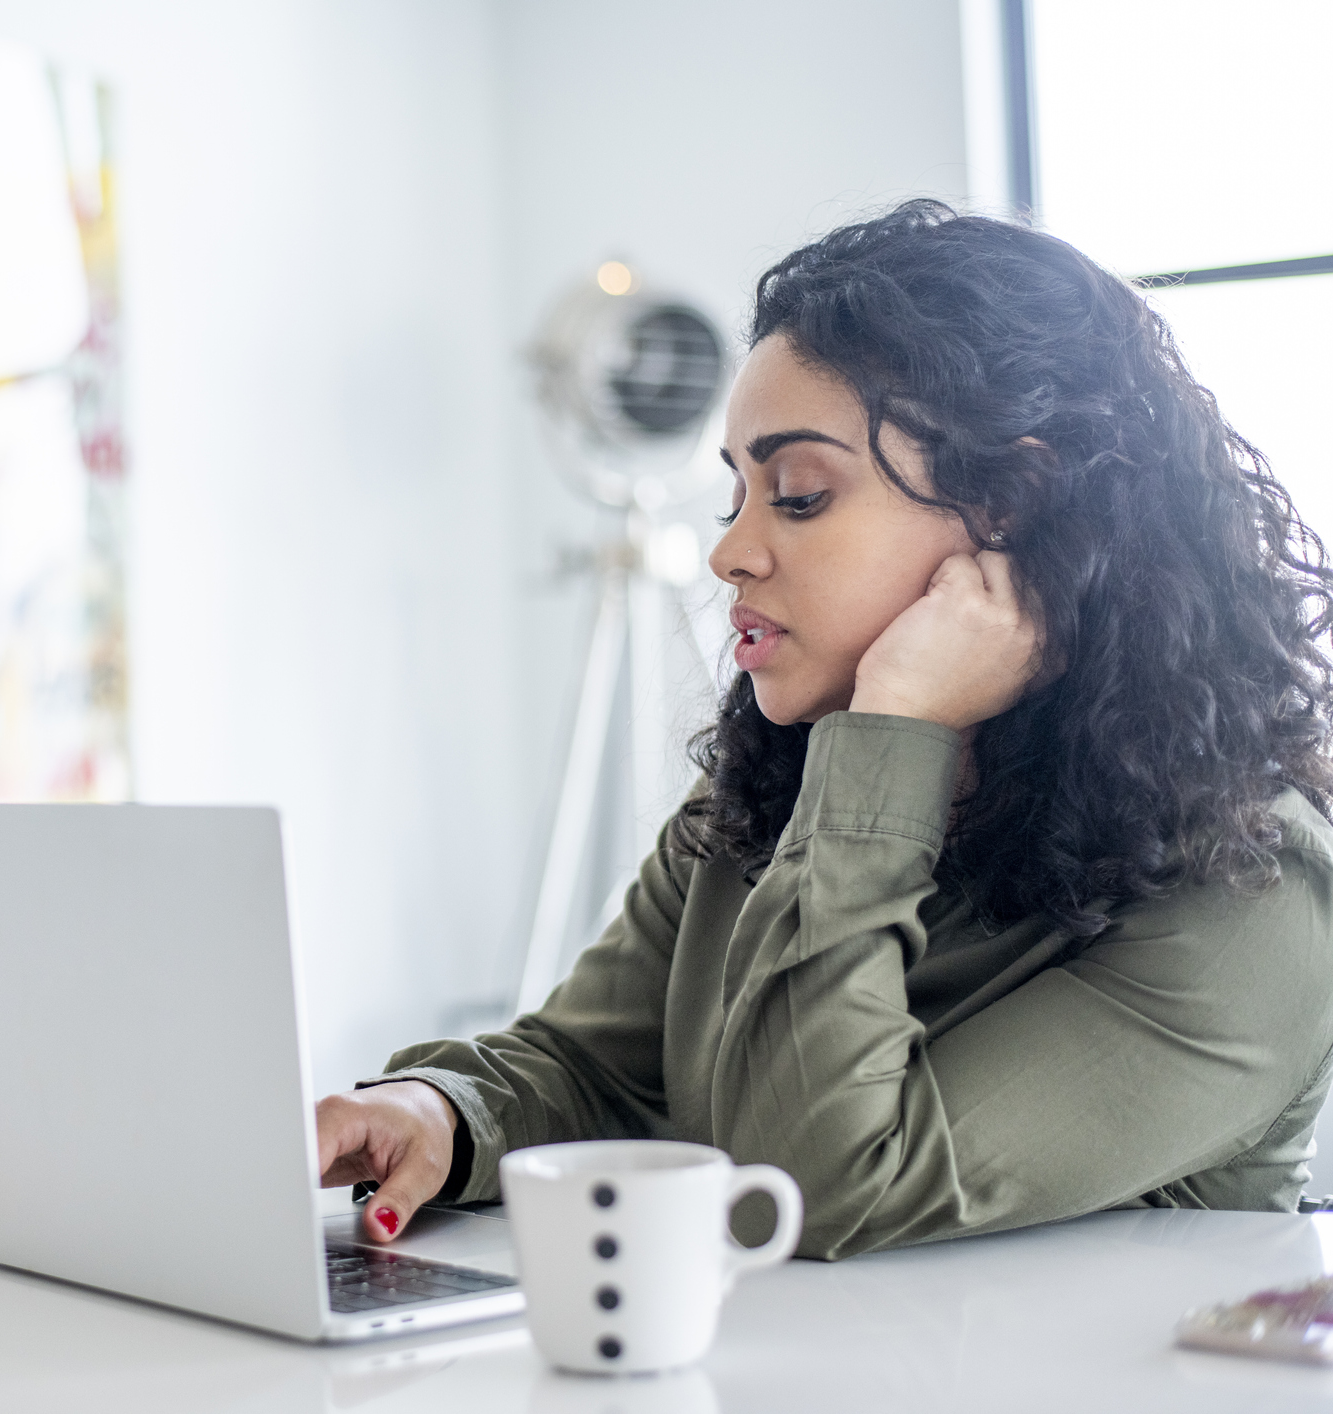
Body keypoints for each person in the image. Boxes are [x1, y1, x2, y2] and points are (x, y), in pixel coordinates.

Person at [318, 201, 1333, 1260]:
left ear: (1016, 510)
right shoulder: (772, 792)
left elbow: (811, 1185)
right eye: (738, 492)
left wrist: (895, 727)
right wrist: (439, 1112)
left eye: (799, 495)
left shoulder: (1254, 890)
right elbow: (594, 1065)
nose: (731, 554)